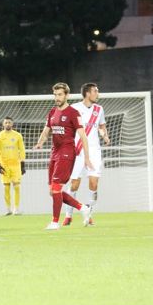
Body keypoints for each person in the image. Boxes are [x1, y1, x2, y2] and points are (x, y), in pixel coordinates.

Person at [34, 82, 93, 230]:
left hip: (67, 153)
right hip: (54, 153)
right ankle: (83, 208)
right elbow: (46, 130)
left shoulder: (73, 113)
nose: (57, 98)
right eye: (55, 95)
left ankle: (55, 222)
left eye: (60, 95)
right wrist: (40, 143)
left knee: (56, 188)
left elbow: (83, 136)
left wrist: (86, 157)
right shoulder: (52, 112)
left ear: (66, 95)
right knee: (53, 191)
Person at [64, 83, 110, 226]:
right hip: (78, 151)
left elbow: (101, 126)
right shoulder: (74, 108)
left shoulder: (99, 109)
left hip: (94, 151)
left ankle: (89, 214)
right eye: (95, 91)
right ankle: (68, 215)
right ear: (87, 93)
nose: (98, 93)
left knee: (94, 182)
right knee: (74, 184)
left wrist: (104, 135)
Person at [0, 117, 26, 215]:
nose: (7, 124)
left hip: (16, 164)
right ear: (3, 124)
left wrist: (22, 163)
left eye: (9, 122)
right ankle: (8, 209)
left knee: (16, 186)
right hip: (5, 165)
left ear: (12, 124)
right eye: (6, 122)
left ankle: (16, 209)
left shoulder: (17, 135)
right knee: (6, 187)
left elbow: (22, 149)